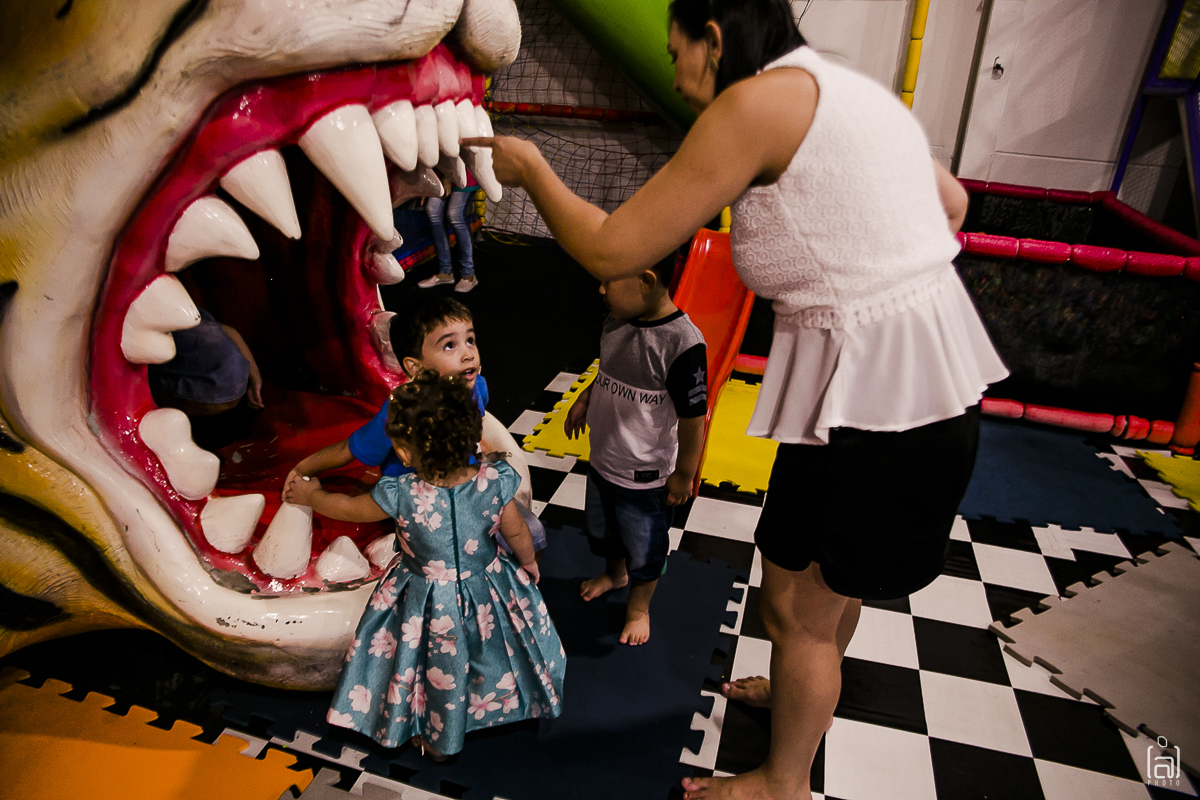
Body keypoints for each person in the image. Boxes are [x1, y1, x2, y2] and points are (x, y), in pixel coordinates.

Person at [465, 0, 1008, 795]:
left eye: (676, 53)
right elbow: (951, 205)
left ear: (714, 40)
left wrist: (533, 170)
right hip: (918, 380)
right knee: (820, 587)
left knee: (797, 611)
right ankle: (801, 689)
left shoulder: (754, 103)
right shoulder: (842, 87)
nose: (678, 77)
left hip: (876, 400)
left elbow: (613, 249)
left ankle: (782, 783)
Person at [283, 372, 564, 759]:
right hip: (487, 586)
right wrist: (528, 562)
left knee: (433, 662)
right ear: (473, 436)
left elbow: (347, 508)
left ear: (403, 453)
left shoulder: (401, 494)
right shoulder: (493, 483)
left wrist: (312, 495)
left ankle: (439, 738)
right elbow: (515, 531)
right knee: (489, 650)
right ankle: (494, 705)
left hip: (424, 599)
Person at [286, 296, 547, 556]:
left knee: (529, 532)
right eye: (449, 345)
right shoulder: (403, 411)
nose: (468, 353)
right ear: (415, 367)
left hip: (463, 483)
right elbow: (350, 450)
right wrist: (303, 468)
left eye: (470, 340)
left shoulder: (476, 387)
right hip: (417, 499)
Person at [563, 251, 707, 646]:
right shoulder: (617, 318)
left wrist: (684, 473)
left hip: (644, 478)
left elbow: (694, 417)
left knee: (645, 549)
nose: (601, 289)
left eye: (609, 281)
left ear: (646, 281)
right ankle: (614, 574)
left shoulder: (683, 343)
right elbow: (606, 369)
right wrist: (584, 398)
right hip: (603, 461)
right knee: (603, 533)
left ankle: (639, 608)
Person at [417, 168, 481, 293]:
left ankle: (469, 274)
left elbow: (457, 156)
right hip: (443, 172)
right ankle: (445, 272)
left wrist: (448, 178)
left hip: (463, 172)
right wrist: (428, 184)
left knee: (455, 215)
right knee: (433, 210)